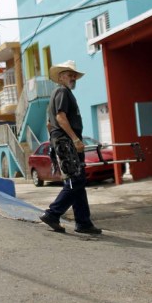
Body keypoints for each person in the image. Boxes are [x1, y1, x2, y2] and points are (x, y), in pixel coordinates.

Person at [39, 60, 102, 235]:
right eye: (69, 74)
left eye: (74, 74)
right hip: (67, 142)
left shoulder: (59, 93)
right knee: (76, 181)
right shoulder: (62, 92)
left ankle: (83, 222)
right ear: (60, 77)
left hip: (62, 141)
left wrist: (55, 140)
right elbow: (60, 118)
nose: (73, 77)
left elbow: (49, 124)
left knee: (77, 181)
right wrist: (74, 139)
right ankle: (52, 213)